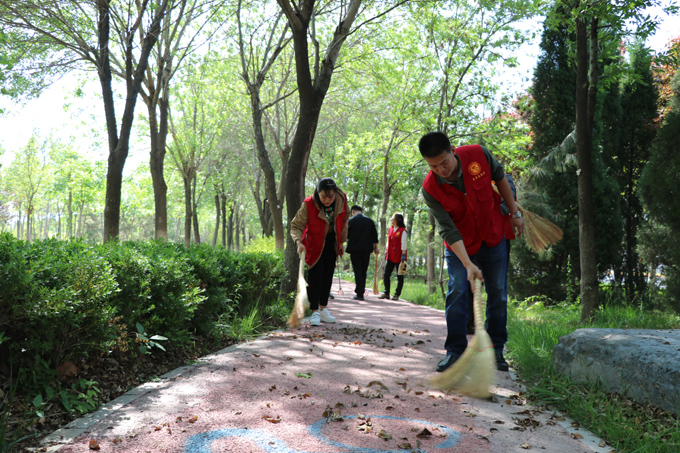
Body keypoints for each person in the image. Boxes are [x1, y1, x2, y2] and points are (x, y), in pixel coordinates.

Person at [418, 132, 524, 373]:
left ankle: (495, 350)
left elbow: (501, 179)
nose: (441, 170)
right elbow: (448, 230)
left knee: (498, 292)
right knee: (457, 291)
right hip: (460, 246)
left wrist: (514, 213)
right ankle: (455, 351)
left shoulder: (478, 154)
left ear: (453, 150)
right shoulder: (430, 189)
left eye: (444, 162)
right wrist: (468, 264)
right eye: (433, 166)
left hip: (492, 235)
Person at [290, 178, 349, 326]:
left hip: (332, 243)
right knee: (316, 277)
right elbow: (296, 225)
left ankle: (323, 309)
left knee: (328, 276)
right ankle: (314, 311)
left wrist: (341, 241)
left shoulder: (341, 199)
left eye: (331, 197)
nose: (327, 200)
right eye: (324, 197)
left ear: (335, 194)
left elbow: (345, 219)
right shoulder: (309, 204)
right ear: (318, 192)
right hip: (314, 244)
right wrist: (299, 242)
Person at [465, 173, 517, 335]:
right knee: (471, 280)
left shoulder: (505, 180)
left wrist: (485, 211)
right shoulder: (471, 180)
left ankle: (493, 328)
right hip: (475, 237)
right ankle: (469, 322)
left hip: (499, 238)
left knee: (496, 285)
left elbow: (508, 205)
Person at [346, 205, 379, 301]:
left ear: (353, 212)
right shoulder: (369, 221)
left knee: (357, 270)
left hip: (355, 250)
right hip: (366, 250)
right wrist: (376, 248)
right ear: (362, 211)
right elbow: (375, 236)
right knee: (363, 271)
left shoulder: (351, 221)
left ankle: (359, 293)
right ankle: (360, 291)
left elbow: (346, 235)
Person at [378, 212, 408, 301]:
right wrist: (386, 251)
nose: (391, 220)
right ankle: (386, 292)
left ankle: (397, 294)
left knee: (400, 276)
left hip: (400, 256)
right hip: (390, 255)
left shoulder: (403, 230)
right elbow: (388, 241)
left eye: (393, 219)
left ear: (397, 220)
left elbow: (404, 243)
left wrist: (403, 254)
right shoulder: (390, 229)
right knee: (386, 274)